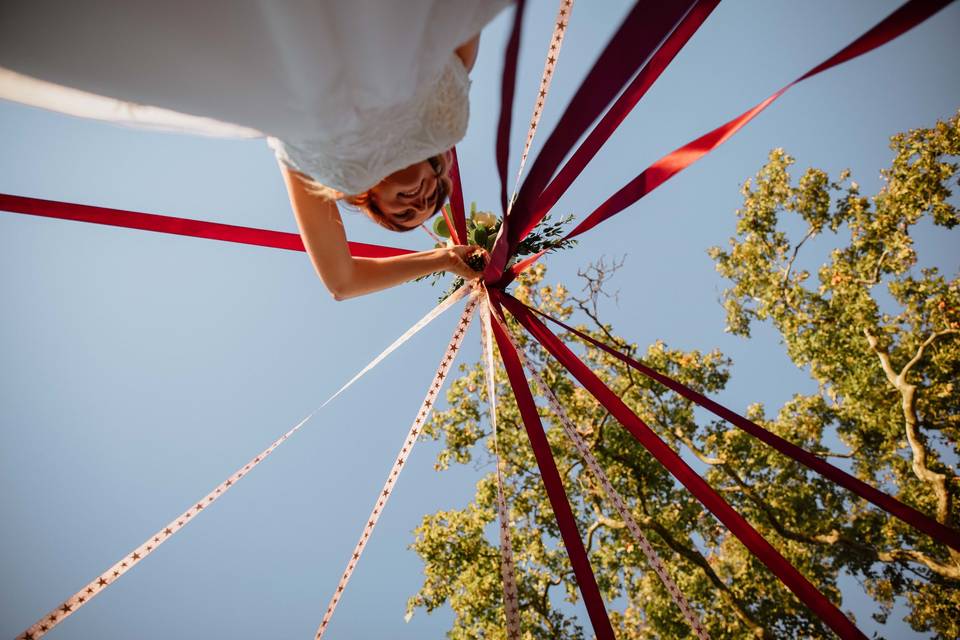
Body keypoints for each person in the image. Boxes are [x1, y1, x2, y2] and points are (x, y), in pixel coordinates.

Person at [0, 1, 513, 299]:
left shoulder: (319, 170)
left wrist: (443, 258)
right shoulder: (446, 116)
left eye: (403, 211)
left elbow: (342, 281)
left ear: (366, 198)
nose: (420, 200)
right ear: (436, 164)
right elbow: (461, 24)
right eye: (430, 195)